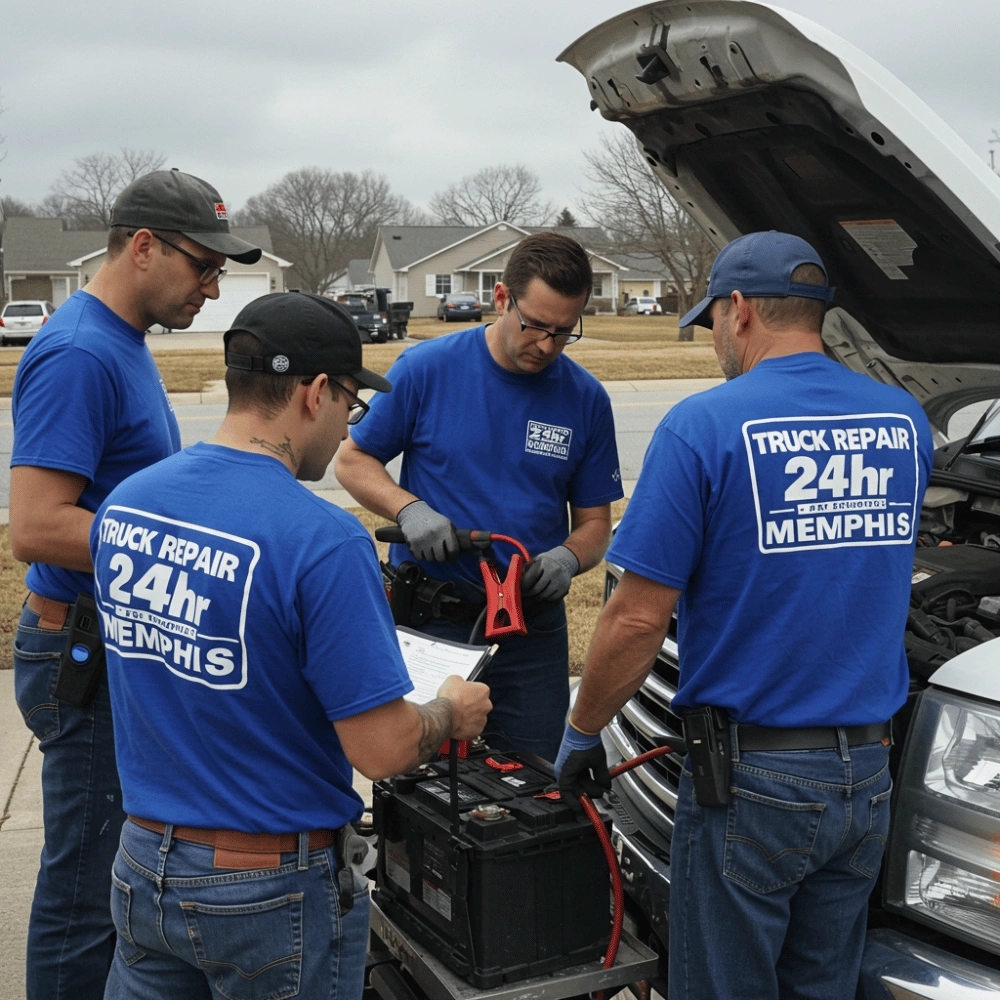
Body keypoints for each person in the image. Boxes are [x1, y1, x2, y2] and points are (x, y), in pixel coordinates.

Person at [555, 231, 933, 1000]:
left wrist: (581, 731)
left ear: (738, 311)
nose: (715, 344)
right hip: (866, 777)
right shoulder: (905, 424)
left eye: (713, 325)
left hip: (755, 783)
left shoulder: (705, 426)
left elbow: (634, 620)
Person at [90, 291, 491, 998]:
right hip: (265, 891)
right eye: (350, 405)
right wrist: (448, 713)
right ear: (314, 394)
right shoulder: (321, 539)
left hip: (143, 860)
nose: (346, 428)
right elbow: (382, 748)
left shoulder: (127, 505)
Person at [9, 168, 261, 1000]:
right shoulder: (81, 352)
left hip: (110, 641)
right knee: (85, 895)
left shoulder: (119, 338)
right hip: (80, 653)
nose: (213, 288)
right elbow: (37, 526)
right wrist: (181, 546)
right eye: (203, 266)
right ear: (144, 246)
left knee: (105, 879)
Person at [336, 232, 623, 762]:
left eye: (564, 332)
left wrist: (567, 557)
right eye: (535, 325)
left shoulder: (584, 399)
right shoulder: (427, 369)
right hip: (436, 619)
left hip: (531, 627)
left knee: (532, 784)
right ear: (500, 299)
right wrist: (409, 509)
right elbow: (353, 460)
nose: (547, 345)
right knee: (422, 776)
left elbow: (595, 526)